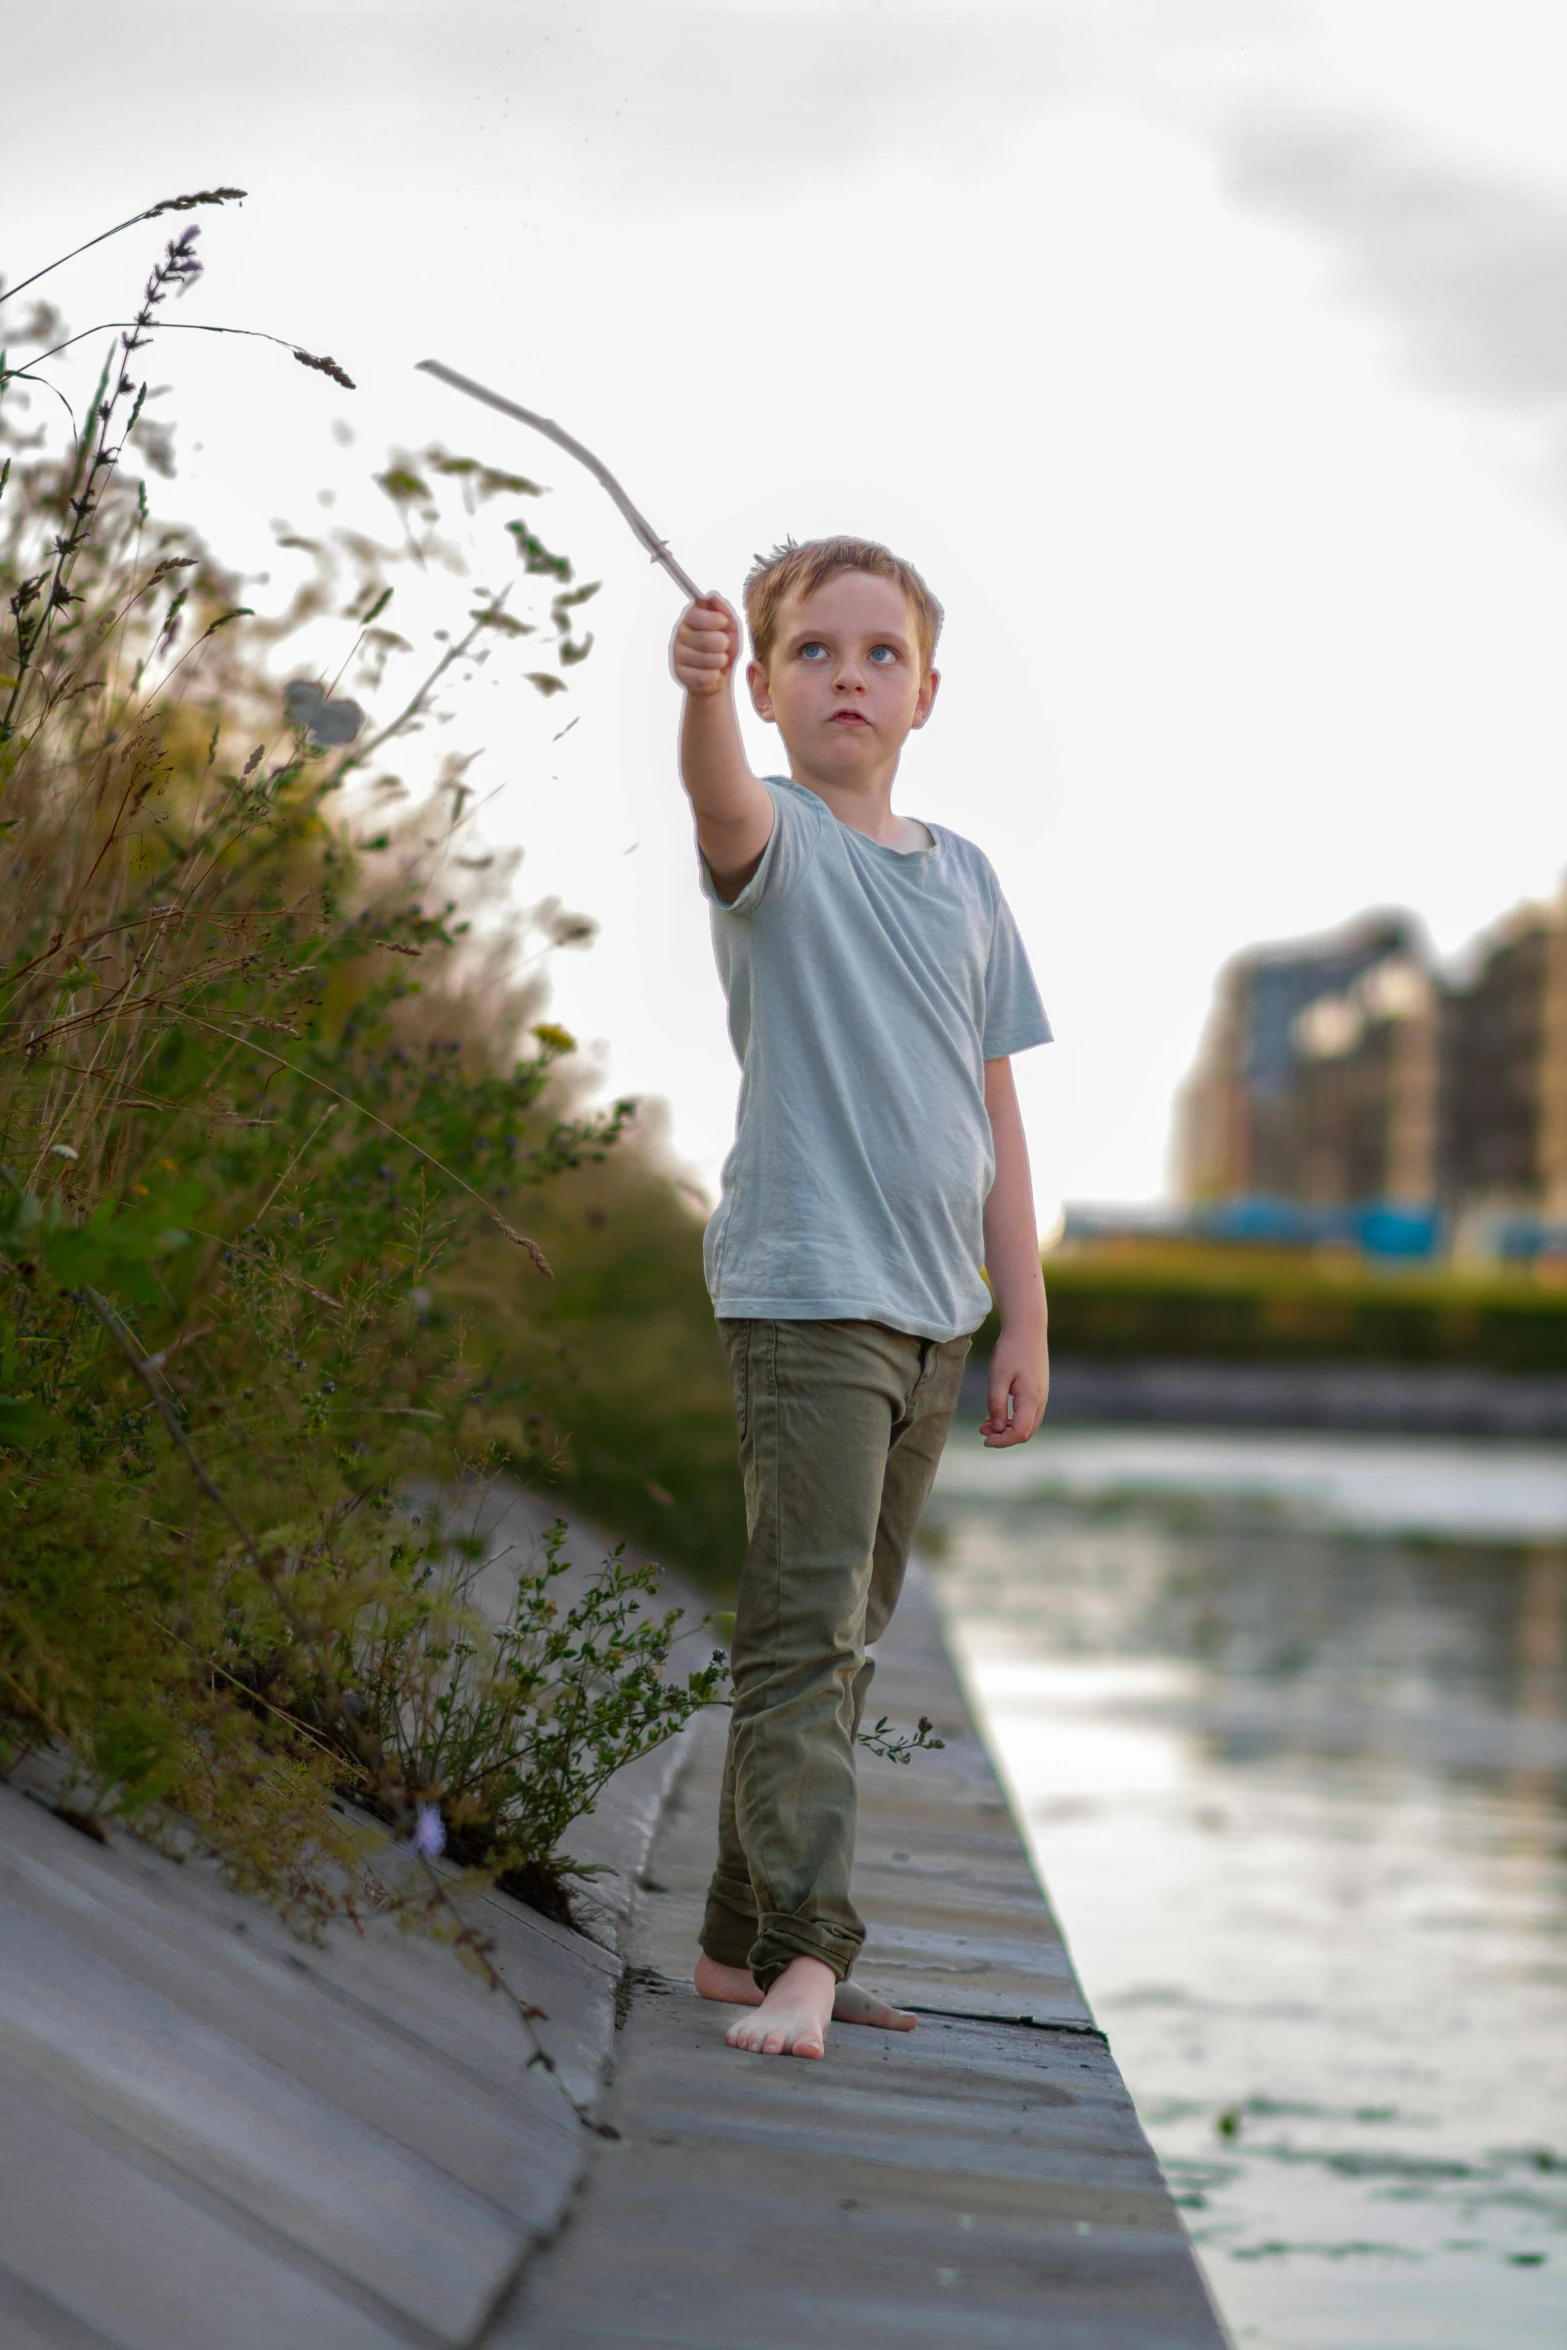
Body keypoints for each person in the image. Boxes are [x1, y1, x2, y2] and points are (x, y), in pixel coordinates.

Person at [670, 535, 1051, 2061]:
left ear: (927, 692)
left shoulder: (965, 880)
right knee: (804, 1630)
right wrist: (692, 700)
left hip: (931, 1313)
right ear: (765, 687)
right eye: (812, 652)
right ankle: (811, 1957)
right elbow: (713, 801)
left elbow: (994, 1115)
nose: (849, 675)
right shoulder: (773, 847)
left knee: (841, 1630)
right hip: (809, 1295)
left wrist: (1019, 1312)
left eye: (879, 653)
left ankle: (731, 1944)